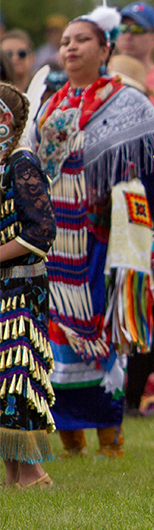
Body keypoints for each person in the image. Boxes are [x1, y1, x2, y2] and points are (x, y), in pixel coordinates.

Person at [35, 4, 154, 458]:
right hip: (54, 243)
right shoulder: (50, 106)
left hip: (104, 242)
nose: (70, 48)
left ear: (106, 48)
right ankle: (70, 437)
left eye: (82, 40)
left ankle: (110, 439)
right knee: (56, 338)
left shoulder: (128, 102)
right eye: (66, 41)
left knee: (104, 332)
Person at [0, 85, 57, 488]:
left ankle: (34, 476)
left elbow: (42, 230)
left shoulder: (21, 163)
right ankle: (15, 476)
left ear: (5, 120)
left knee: (16, 378)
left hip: (21, 291)